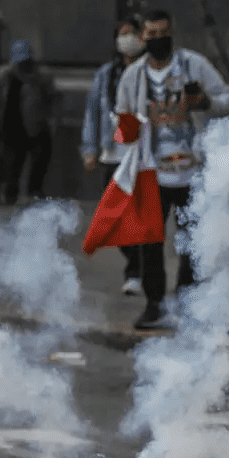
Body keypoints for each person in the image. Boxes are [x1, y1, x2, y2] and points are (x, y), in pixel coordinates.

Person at [113, 8, 229, 329]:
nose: (157, 40)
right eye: (151, 35)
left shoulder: (194, 65)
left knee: (191, 239)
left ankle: (187, 300)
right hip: (151, 171)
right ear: (142, 38)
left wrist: (205, 102)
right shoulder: (133, 77)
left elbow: (228, 98)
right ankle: (154, 303)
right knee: (150, 242)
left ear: (172, 32)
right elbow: (122, 116)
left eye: (162, 33)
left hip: (192, 169)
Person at [81, 19, 145, 295]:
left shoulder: (150, 70)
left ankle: (137, 274)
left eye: (132, 33)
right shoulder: (107, 74)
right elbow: (93, 111)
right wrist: (89, 149)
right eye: (122, 35)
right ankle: (136, 264)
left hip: (141, 154)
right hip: (112, 153)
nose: (127, 39)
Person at [0, 39, 61, 204]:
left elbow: (55, 98)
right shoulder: (4, 75)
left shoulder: (42, 76)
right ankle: (10, 193)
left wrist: (54, 120)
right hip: (12, 127)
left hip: (36, 126)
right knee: (12, 163)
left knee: (39, 160)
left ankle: (34, 189)